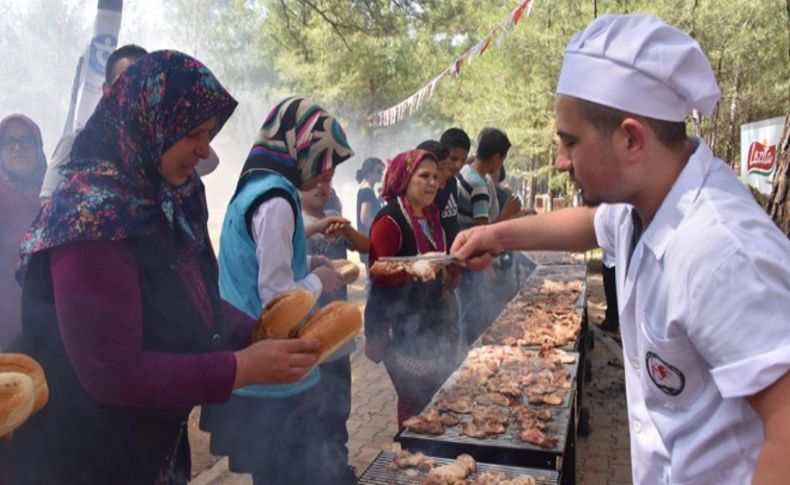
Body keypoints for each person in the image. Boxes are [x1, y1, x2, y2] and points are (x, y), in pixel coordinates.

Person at [452, 14, 790, 484]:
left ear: (631, 138)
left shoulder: (722, 252)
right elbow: (590, 224)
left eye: (570, 142)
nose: (560, 161)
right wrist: (495, 236)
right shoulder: (640, 204)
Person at [0, 51, 321, 485]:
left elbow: (192, 295)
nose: (205, 150)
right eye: (192, 133)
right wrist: (242, 367)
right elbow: (111, 374)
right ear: (147, 124)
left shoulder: (165, 195)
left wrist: (257, 331)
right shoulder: (89, 219)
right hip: (79, 455)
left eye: (208, 133)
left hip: (146, 443)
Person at [201, 97, 355, 485]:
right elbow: (277, 298)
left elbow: (262, 260)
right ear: (298, 151)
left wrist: (309, 265)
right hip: (271, 367)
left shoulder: (258, 186)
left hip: (249, 352)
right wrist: (320, 281)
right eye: (322, 164)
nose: (324, 177)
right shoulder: (277, 200)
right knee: (284, 473)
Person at [40, 44, 220, 200]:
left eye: (144, 83)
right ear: (107, 90)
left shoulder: (161, 146)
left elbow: (209, 161)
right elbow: (47, 208)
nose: (135, 91)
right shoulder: (76, 143)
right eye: (124, 83)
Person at [364, 149, 461, 426]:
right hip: (401, 328)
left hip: (432, 322)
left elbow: (439, 258)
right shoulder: (389, 221)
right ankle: (411, 451)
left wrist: (450, 269)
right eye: (423, 176)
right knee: (416, 400)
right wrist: (417, 266)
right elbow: (379, 273)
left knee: (436, 395)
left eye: (434, 177)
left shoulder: (431, 216)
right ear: (406, 178)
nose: (432, 182)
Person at [456, 127, 521, 344]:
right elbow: (483, 234)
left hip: (464, 257)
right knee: (475, 318)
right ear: (495, 158)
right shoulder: (478, 186)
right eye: (502, 159)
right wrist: (507, 214)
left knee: (466, 314)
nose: (500, 165)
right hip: (474, 263)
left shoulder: (465, 172)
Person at [0, 114, 46, 350]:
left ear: (38, 147)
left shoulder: (44, 194)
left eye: (25, 140)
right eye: (8, 142)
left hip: (35, 317)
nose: (17, 148)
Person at [356, 157, 384, 245]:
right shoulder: (367, 191)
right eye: (379, 171)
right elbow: (364, 219)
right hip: (369, 240)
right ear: (369, 173)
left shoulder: (364, 188)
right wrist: (382, 227)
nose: (381, 174)